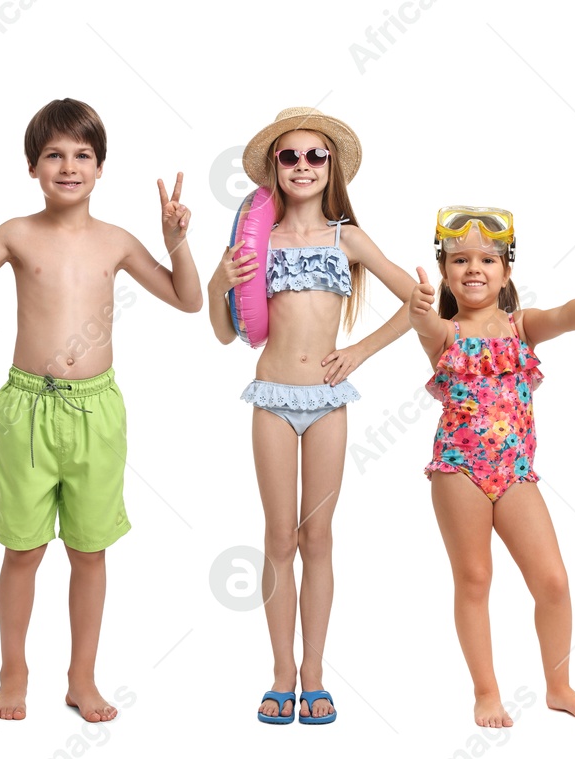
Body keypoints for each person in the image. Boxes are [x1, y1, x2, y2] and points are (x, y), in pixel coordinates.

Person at [0, 98, 203, 723]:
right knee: (22, 549)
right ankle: (13, 671)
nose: (68, 165)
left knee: (89, 550)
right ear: (33, 167)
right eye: (54, 154)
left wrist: (178, 243)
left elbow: (187, 300)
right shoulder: (16, 234)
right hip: (26, 408)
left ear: (101, 168)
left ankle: (82, 677)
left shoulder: (117, 241)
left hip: (97, 411)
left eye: (82, 155)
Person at [205, 107, 417, 725]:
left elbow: (422, 300)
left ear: (330, 169)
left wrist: (358, 352)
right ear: (275, 167)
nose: (302, 165)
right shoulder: (253, 242)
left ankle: (316, 673)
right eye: (289, 156)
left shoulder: (345, 237)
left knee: (318, 537)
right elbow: (224, 335)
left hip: (327, 403)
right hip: (272, 397)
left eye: (314, 157)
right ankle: (280, 674)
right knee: (277, 537)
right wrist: (221, 283)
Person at [412, 206, 575, 726]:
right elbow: (421, 321)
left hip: (515, 473)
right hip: (458, 467)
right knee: (475, 578)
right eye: (459, 259)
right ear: (444, 271)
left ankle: (559, 686)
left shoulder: (521, 326)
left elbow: (566, 314)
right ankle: (486, 692)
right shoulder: (442, 332)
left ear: (507, 271)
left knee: (552, 580)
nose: (473, 269)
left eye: (487, 258)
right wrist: (419, 305)